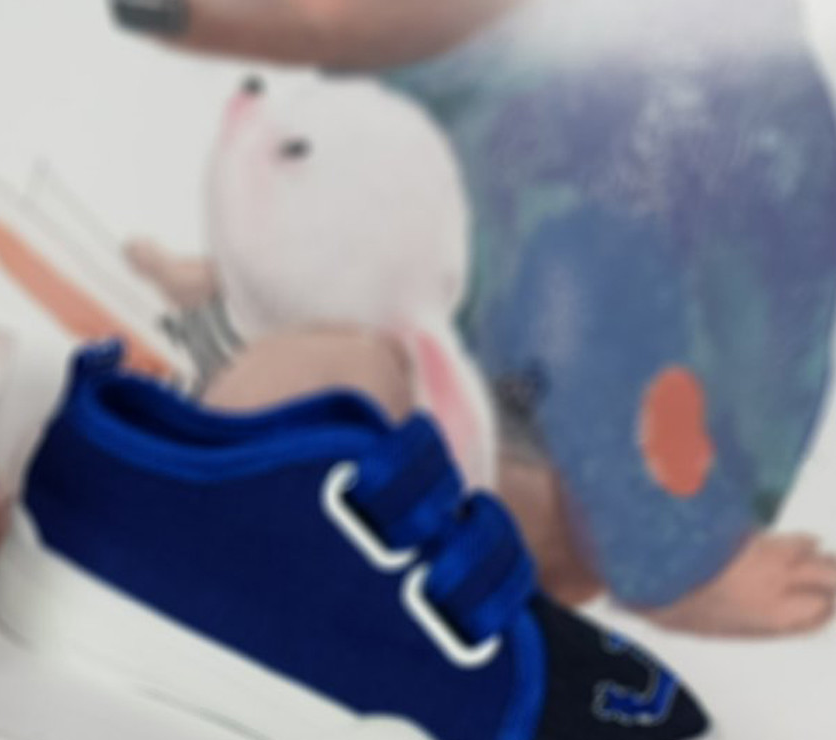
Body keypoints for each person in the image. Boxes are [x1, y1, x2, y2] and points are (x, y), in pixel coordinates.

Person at [113, 0, 836, 636]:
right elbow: (381, 209)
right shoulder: (455, 77)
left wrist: (678, 561)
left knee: (560, 296)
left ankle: (681, 565)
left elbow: (593, 325)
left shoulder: (647, 114)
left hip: (603, 455)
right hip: (480, 353)